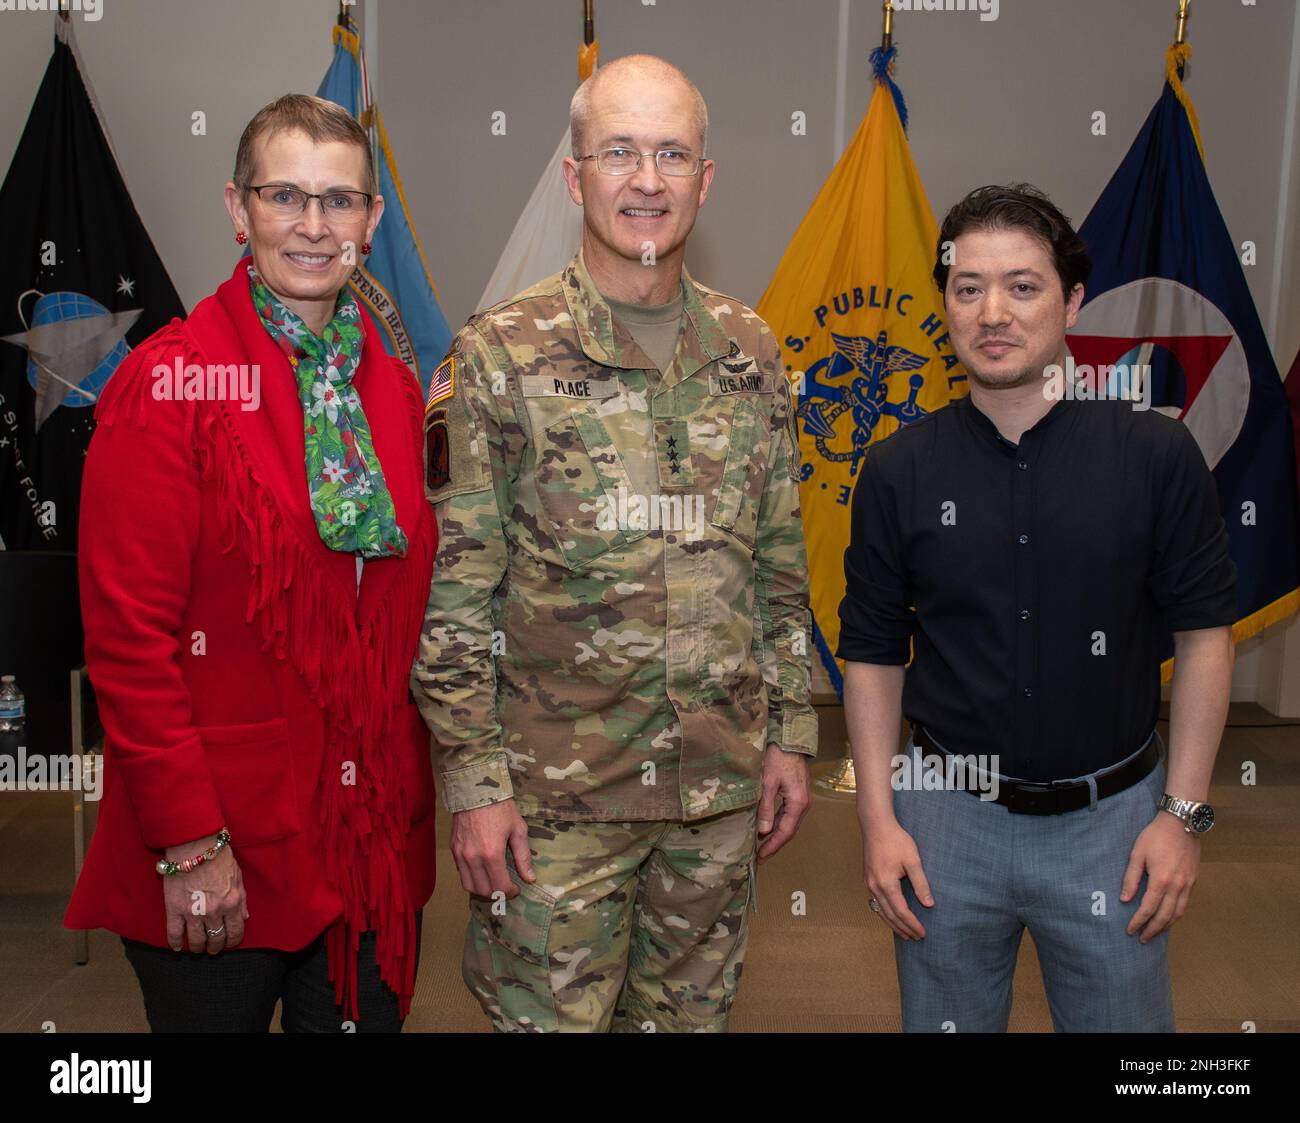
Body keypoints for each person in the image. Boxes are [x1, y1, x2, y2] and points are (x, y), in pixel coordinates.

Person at [412, 54, 817, 1032]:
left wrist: (793, 733)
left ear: (704, 179)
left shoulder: (751, 351)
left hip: (713, 795)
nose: (647, 180)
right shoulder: (496, 356)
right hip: (553, 807)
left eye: (672, 154)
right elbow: (460, 592)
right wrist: (471, 784)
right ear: (574, 175)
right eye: (620, 153)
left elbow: (776, 560)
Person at [64, 94, 438, 1032]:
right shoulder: (170, 381)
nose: (315, 226)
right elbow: (128, 642)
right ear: (238, 210)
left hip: (369, 847)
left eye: (341, 201)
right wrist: (190, 842)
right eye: (286, 196)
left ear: (372, 220)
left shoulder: (392, 388)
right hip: (225, 841)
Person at [840, 183, 1237, 1033]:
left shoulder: (1156, 456)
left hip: (1117, 828)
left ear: (1072, 301)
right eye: (968, 285)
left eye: (1023, 286)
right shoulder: (897, 471)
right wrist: (879, 818)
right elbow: (873, 653)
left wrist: (1184, 814)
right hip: (944, 822)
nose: (993, 312)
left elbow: (1206, 640)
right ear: (945, 301)